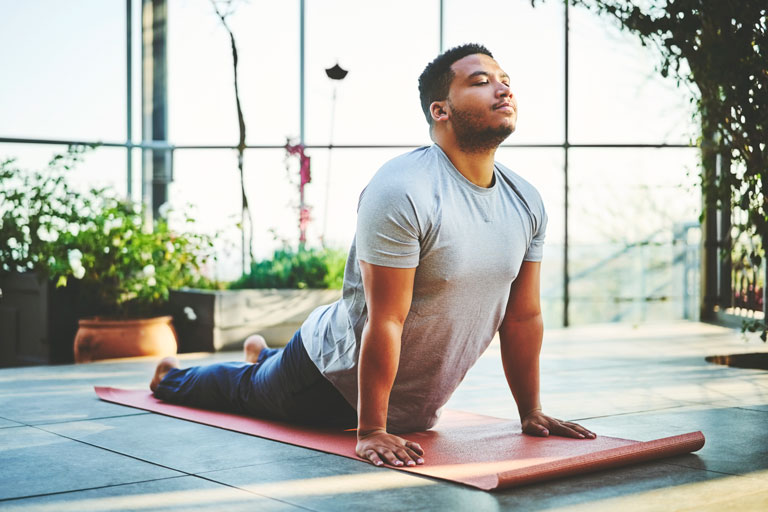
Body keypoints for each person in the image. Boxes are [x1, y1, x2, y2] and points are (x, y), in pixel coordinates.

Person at [150, 43, 596, 470]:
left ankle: (262, 354)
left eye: (505, 80)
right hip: (329, 380)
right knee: (246, 390)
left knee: (263, 372)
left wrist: (531, 411)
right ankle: (172, 375)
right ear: (440, 110)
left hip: (409, 402)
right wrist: (371, 429)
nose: (503, 89)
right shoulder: (403, 187)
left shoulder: (525, 199)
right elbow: (386, 318)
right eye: (481, 81)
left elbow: (522, 317)